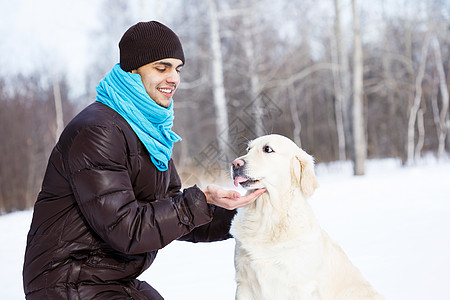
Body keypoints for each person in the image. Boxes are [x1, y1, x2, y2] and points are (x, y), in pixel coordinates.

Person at [22, 21, 265, 300]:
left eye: (177, 69)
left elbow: (170, 210)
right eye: (161, 68)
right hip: (67, 280)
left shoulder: (147, 131)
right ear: (133, 70)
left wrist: (248, 215)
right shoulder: (98, 131)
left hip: (108, 278)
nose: (173, 78)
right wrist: (201, 198)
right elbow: (126, 228)